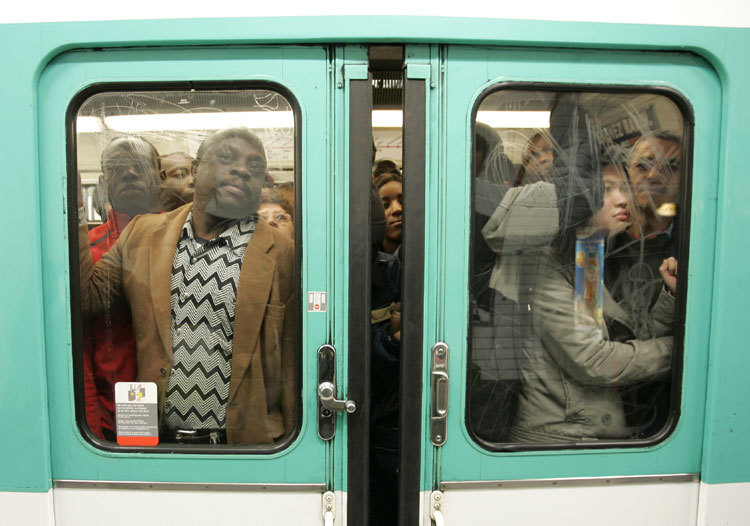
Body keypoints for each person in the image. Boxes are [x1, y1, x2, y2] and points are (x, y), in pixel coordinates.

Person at [79, 127, 295, 445]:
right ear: (195, 171)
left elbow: (291, 359)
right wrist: (71, 210)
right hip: (154, 440)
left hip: (242, 446)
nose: (242, 169)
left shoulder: (280, 250)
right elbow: (88, 299)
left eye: (255, 166)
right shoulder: (143, 233)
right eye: (226, 157)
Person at [502, 163, 678, 443]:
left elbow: (628, 342)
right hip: (558, 437)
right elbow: (594, 359)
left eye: (624, 188)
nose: (622, 199)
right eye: (606, 190)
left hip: (587, 431)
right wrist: (679, 352)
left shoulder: (592, 255)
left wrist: (671, 298)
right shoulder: (548, 263)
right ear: (578, 200)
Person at [82, 135, 161, 440]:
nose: (129, 173)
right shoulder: (88, 250)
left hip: (184, 409)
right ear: (104, 182)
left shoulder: (186, 238)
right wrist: (89, 424)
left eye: (139, 165)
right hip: (110, 417)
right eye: (117, 167)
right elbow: (82, 346)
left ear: (159, 177)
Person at [369, 171, 403, 526]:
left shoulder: (417, 264)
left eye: (403, 201)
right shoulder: (368, 269)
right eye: (386, 204)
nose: (396, 210)